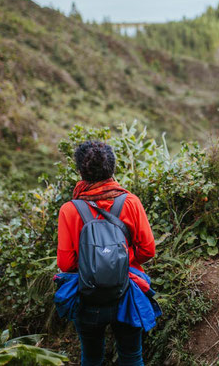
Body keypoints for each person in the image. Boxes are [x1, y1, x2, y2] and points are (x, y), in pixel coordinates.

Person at [57, 140, 156, 366]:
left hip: (87, 295)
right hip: (127, 291)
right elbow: (148, 250)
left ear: (81, 171)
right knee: (131, 356)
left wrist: (95, 263)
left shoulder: (70, 210)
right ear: (112, 169)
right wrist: (120, 260)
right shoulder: (130, 202)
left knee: (91, 357)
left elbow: (65, 263)